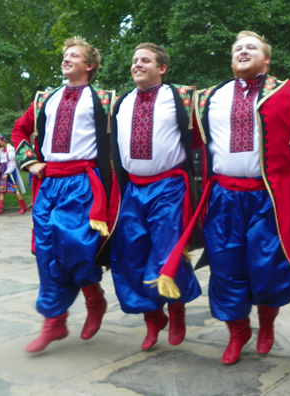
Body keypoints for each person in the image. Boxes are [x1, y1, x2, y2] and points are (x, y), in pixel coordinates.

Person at [185, 31, 290, 365]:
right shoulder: (207, 97)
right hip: (224, 197)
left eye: (251, 47)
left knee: (270, 267)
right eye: (238, 48)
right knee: (226, 268)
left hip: (269, 197)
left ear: (266, 59)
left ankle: (267, 323)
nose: (243, 51)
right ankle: (237, 331)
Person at [11, 37, 116, 353]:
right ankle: (55, 322)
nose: (66, 59)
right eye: (65, 55)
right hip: (49, 184)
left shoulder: (105, 100)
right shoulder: (45, 98)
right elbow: (18, 130)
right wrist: (30, 161)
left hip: (84, 182)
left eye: (75, 55)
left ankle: (94, 299)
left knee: (76, 247)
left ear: (90, 65)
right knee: (46, 252)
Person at [110, 43, 201, 350]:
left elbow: (204, 138)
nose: (137, 64)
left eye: (145, 60)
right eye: (135, 60)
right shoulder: (120, 103)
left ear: (161, 68)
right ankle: (153, 318)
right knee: (130, 256)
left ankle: (176, 310)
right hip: (133, 190)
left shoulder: (183, 98)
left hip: (169, 187)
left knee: (166, 255)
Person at [0, 134, 27, 215]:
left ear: (3, 140)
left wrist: (7, 173)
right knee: (1, 190)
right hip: (3, 170)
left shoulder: (11, 149)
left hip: (9, 172)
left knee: (14, 190)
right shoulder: (1, 150)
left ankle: (23, 207)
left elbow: (12, 163)